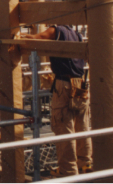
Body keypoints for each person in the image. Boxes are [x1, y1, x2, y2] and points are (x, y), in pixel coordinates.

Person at [24, 25, 92, 176]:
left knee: (64, 127)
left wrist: (20, 37)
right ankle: (85, 164)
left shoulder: (56, 30)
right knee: (82, 125)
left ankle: (68, 171)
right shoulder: (77, 36)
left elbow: (38, 38)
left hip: (64, 85)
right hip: (80, 84)